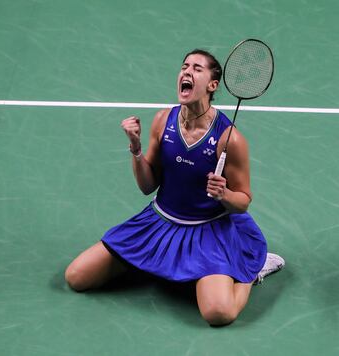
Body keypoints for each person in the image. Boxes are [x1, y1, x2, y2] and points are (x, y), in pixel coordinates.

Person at [65, 49, 284, 326]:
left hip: (209, 232)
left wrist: (224, 194)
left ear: (212, 85)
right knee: (77, 277)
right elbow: (148, 186)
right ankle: (158, 261)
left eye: (197, 68)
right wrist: (135, 149)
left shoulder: (229, 139)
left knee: (219, 314)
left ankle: (251, 271)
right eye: (184, 66)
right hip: (160, 222)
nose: (186, 72)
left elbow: (243, 201)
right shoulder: (162, 121)